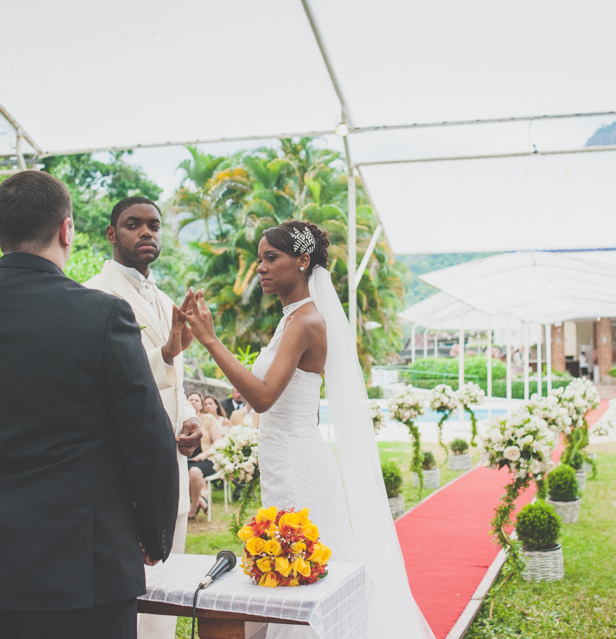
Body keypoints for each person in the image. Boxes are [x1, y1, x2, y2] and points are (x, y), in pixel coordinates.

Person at [0, 170, 180, 639]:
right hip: (80, 569)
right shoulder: (102, 315)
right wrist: (154, 532)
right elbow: (148, 437)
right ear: (66, 229)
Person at [181, 220, 434, 639]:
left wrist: (211, 340)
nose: (261, 267)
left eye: (271, 258)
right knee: (291, 569)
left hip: (299, 466)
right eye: (260, 259)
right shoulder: (290, 319)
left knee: (304, 573)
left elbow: (263, 397)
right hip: (284, 459)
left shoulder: (306, 320)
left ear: (302, 261)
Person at [83, 196, 202, 639]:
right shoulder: (92, 295)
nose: (146, 232)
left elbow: (175, 381)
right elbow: (100, 381)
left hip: (171, 465)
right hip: (124, 467)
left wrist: (188, 419)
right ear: (111, 234)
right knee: (127, 590)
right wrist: (165, 352)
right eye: (133, 224)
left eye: (154, 224)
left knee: (166, 590)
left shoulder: (165, 298)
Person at [185, 392, 226, 521]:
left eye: (197, 400)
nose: (193, 402)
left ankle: (193, 507)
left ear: (201, 405)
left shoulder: (209, 419)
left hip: (206, 459)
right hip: (186, 459)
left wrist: (204, 455)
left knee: (194, 472)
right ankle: (201, 499)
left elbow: (217, 442)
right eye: (191, 399)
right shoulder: (182, 419)